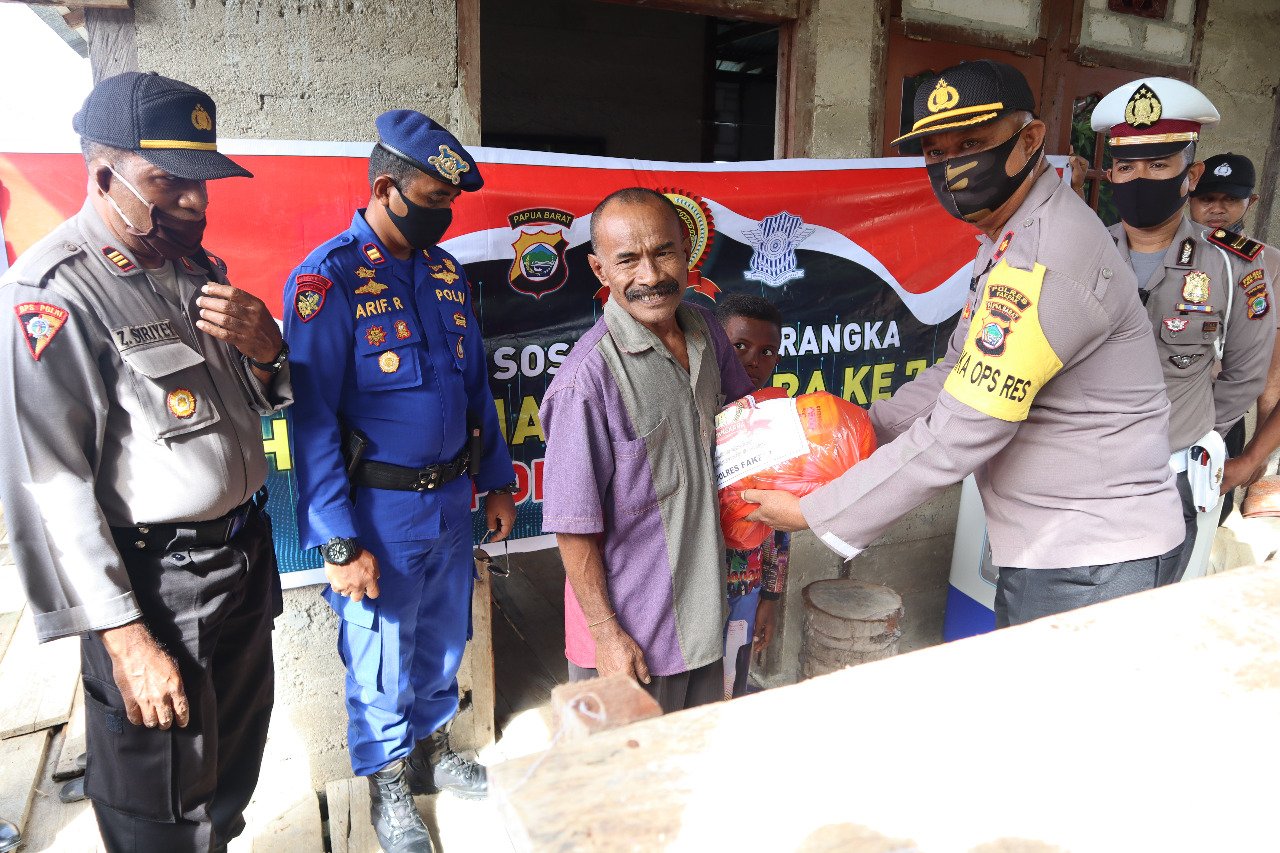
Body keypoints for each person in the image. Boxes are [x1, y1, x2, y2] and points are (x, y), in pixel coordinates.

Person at [745, 60, 1184, 627]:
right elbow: (957, 369)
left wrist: (815, 511)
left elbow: (965, 426)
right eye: (936, 151)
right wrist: (854, 431)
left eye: (973, 143)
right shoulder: (1011, 233)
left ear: (1030, 140)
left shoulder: (1041, 259)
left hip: (1092, 554)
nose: (953, 166)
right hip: (1062, 544)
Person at [0, 72, 290, 851]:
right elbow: (52, 487)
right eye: (169, 181)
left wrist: (267, 351)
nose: (194, 201)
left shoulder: (199, 271)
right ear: (104, 176)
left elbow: (247, 404)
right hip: (157, 584)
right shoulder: (51, 293)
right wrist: (125, 640)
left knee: (230, 771)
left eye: (203, 181)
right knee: (160, 804)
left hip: (240, 558)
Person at [284, 110, 516, 853]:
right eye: (434, 199)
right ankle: (388, 787)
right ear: (386, 188)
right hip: (379, 511)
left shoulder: (445, 274)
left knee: (443, 638)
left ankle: (435, 750)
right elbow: (311, 421)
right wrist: (338, 540)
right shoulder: (328, 279)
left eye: (450, 201)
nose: (445, 215)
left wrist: (498, 481)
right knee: (381, 652)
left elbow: (476, 387)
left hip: (450, 501)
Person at [540, 188, 753, 712]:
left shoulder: (704, 330)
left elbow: (743, 425)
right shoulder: (586, 383)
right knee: (623, 764)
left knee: (693, 753)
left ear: (686, 252)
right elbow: (572, 525)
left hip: (705, 617)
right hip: (632, 641)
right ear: (599, 269)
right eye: (628, 259)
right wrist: (606, 635)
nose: (651, 275)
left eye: (664, 252)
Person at [1091, 80, 1276, 579]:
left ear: (1189, 174)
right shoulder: (1085, 250)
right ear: (1111, 173)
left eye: (1158, 165)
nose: (1139, 179)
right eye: (1126, 166)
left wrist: (1198, 434)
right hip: (1083, 465)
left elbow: (1247, 374)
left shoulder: (1237, 265)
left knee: (1149, 599)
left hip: (1171, 473)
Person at [1188, 153, 1280, 502]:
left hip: (1224, 411)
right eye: (1207, 198)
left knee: (1209, 505)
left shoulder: (1267, 262)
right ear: (1189, 195)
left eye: (1230, 199)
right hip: (1166, 401)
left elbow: (1272, 366)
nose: (1217, 209)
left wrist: (1259, 450)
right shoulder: (1170, 249)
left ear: (1251, 201)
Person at [716, 294, 789, 698]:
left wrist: (771, 598)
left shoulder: (776, 424)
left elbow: (782, 524)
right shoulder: (693, 414)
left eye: (767, 352)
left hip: (745, 590)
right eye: (739, 346)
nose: (752, 361)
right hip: (687, 592)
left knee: (730, 688)